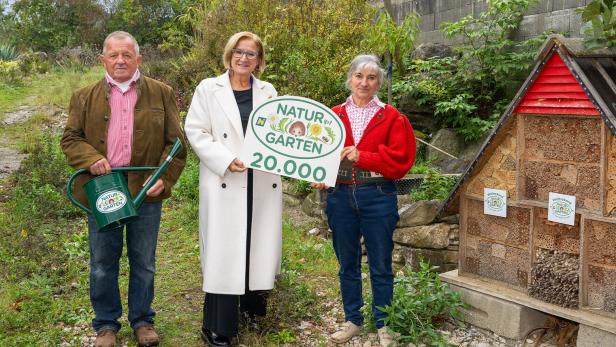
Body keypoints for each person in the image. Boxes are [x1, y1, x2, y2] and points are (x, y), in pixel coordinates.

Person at [61, 31, 187, 347]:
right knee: (103, 261)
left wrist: (164, 177)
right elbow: (71, 139)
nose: (120, 61)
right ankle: (106, 325)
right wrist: (91, 159)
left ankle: (143, 321)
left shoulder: (161, 93)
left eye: (127, 55)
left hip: (145, 191)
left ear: (138, 59)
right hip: (103, 190)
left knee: (143, 261)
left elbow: (177, 144)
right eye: (114, 55)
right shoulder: (83, 96)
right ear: (103, 59)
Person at [184, 31, 282, 347]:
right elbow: (195, 130)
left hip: (261, 181)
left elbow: (281, 134)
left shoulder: (269, 91)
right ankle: (217, 325)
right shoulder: (208, 89)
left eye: (251, 54)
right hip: (226, 179)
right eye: (239, 52)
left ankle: (251, 307)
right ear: (229, 55)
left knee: (256, 242)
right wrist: (226, 159)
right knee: (225, 251)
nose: (244, 58)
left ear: (259, 60)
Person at [313, 54, 416, 346]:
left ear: (378, 82)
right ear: (350, 79)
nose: (364, 83)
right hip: (340, 195)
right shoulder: (332, 116)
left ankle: (384, 324)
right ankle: (353, 321)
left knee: (381, 263)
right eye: (359, 76)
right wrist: (319, 173)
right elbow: (318, 154)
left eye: (371, 77)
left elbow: (401, 161)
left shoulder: (393, 117)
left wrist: (364, 156)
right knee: (347, 262)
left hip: (378, 195)